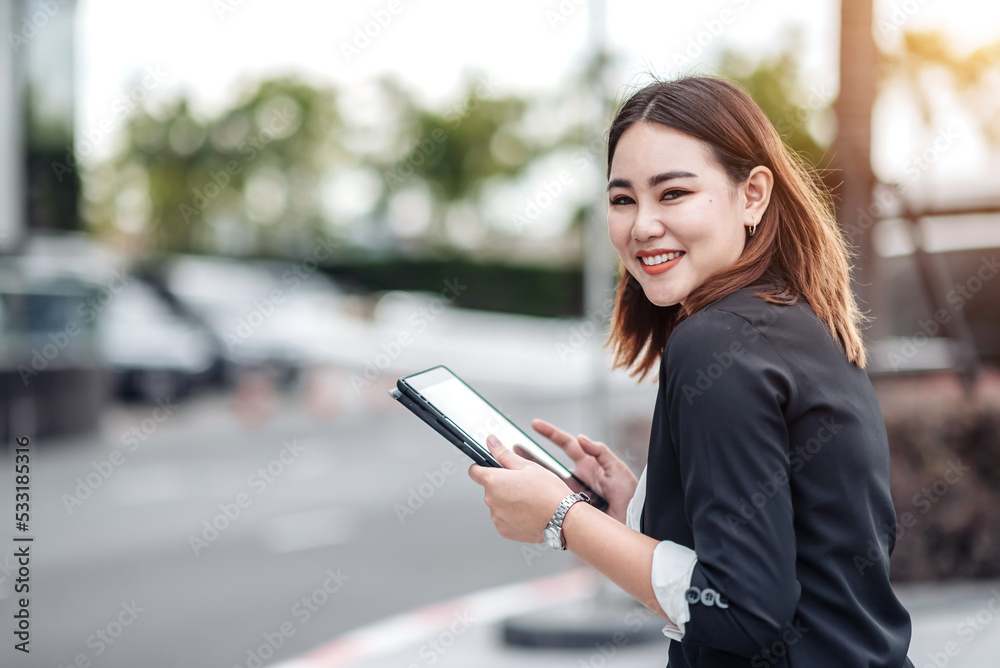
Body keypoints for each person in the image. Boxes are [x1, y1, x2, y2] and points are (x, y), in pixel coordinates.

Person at [468, 76, 915, 667]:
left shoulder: (715, 342)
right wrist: (637, 507)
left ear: (753, 194)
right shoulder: (793, 318)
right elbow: (791, 545)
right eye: (622, 199)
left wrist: (562, 519)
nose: (642, 225)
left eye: (673, 193)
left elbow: (741, 609)